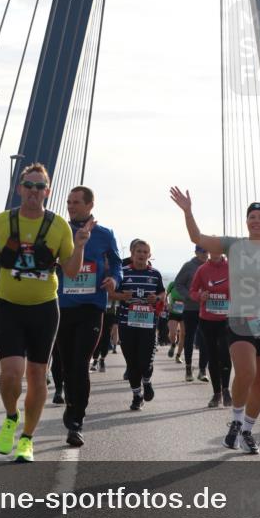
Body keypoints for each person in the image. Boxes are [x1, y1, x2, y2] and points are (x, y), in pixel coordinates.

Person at [171, 188, 260, 455]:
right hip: (239, 320)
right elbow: (197, 238)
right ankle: (236, 421)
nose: (257, 221)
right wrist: (188, 212)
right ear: (247, 221)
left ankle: (247, 430)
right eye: (252, 217)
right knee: (246, 373)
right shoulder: (233, 245)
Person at [0, 162, 92, 463]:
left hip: (44, 309)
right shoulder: (3, 221)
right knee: (11, 373)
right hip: (10, 307)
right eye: (29, 185)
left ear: (47, 192)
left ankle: (27, 438)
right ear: (19, 189)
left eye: (40, 187)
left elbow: (71, 271)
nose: (34, 191)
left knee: (37, 374)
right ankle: (11, 416)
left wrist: (79, 246)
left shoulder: (58, 226)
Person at [55, 185, 122, 446]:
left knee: (81, 362)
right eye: (69, 202)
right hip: (63, 306)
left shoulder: (105, 234)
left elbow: (117, 264)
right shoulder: (59, 230)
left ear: (89, 205)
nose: (70, 206)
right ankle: (71, 403)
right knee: (66, 364)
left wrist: (114, 279)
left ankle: (76, 420)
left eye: (76, 202)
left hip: (92, 307)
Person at [110, 239, 165, 411]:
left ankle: (146, 381)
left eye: (145, 252)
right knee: (132, 363)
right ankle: (136, 396)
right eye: (138, 251)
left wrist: (157, 298)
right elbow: (111, 294)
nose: (142, 255)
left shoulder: (155, 274)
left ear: (149, 255)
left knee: (144, 362)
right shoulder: (122, 272)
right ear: (132, 254)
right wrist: (122, 296)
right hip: (127, 324)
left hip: (148, 325)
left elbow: (162, 294)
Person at [190, 251, 232, 407]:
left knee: (225, 353)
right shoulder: (202, 269)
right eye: (211, 249)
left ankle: (226, 389)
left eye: (217, 248)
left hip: (226, 319)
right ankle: (216, 393)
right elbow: (192, 291)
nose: (214, 252)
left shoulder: (231, 267)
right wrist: (200, 296)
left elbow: (242, 289)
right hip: (207, 320)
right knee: (212, 356)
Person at [174, 246, 209, 382]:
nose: (205, 254)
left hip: (207, 309)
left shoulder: (211, 266)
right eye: (203, 251)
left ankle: (202, 370)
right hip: (191, 308)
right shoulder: (188, 266)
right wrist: (190, 296)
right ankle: (188, 368)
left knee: (205, 339)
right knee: (189, 337)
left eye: (207, 251)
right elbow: (178, 284)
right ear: (196, 252)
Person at [166, 280, 185, 362]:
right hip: (173, 311)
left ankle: (178, 356)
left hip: (185, 312)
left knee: (183, 334)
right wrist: (167, 304)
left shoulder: (189, 285)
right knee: (172, 333)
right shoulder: (172, 284)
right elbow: (165, 295)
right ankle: (173, 344)